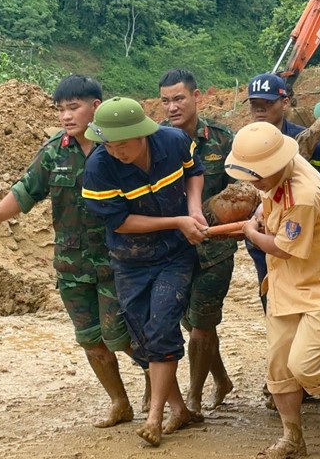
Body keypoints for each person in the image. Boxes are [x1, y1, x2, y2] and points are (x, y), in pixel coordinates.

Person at [0, 75, 137, 429]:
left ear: (95, 108)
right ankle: (120, 403)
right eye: (60, 109)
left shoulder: (120, 147)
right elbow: (24, 193)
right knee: (90, 339)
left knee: (123, 335)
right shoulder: (56, 150)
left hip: (117, 261)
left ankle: (158, 387)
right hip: (72, 265)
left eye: (73, 108)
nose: (66, 116)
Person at [227, 122, 320, 458]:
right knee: (280, 367)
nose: (253, 184)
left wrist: (250, 232)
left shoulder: (304, 195)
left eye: (257, 177)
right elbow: (270, 196)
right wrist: (260, 209)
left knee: (305, 365)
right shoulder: (283, 165)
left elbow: (283, 247)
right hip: (289, 279)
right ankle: (292, 437)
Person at [82, 97, 206, 447]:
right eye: (109, 144)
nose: (116, 152)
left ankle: (154, 419)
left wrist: (193, 208)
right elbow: (119, 222)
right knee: (143, 338)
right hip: (131, 260)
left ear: (143, 135)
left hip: (175, 254)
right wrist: (178, 220)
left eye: (123, 145)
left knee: (163, 322)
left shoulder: (173, 141)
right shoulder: (99, 167)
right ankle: (178, 408)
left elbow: (194, 170)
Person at [158, 69, 235, 414]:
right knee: (190, 323)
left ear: (196, 97)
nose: (172, 107)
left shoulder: (222, 139)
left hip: (215, 250)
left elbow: (243, 191)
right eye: (165, 101)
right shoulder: (155, 141)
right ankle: (221, 379)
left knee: (202, 327)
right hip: (173, 251)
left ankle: (194, 398)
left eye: (179, 99)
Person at [245, 73, 320, 313]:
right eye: (254, 104)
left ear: (285, 103)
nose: (260, 110)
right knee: (271, 296)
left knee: (300, 297)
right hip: (262, 233)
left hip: (299, 233)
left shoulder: (308, 140)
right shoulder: (245, 141)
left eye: (267, 103)